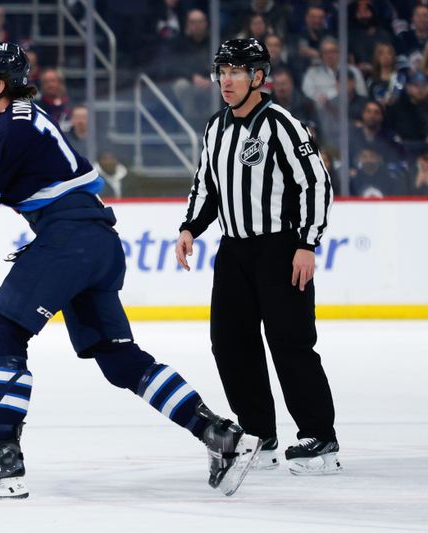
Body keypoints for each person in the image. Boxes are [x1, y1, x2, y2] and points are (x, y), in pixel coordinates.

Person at [0, 42, 261, 499]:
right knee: (117, 358)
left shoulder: (6, 132)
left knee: (3, 334)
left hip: (68, 238)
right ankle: (221, 435)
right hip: (94, 240)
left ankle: (3, 461)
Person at [174, 38, 340, 476]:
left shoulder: (282, 124)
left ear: (258, 77)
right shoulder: (216, 126)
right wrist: (190, 227)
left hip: (281, 248)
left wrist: (307, 243)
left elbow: (316, 185)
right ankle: (260, 433)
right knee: (229, 343)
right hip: (234, 251)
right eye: (221, 71)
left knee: (290, 343)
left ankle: (320, 437)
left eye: (236, 71)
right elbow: (206, 186)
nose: (226, 80)